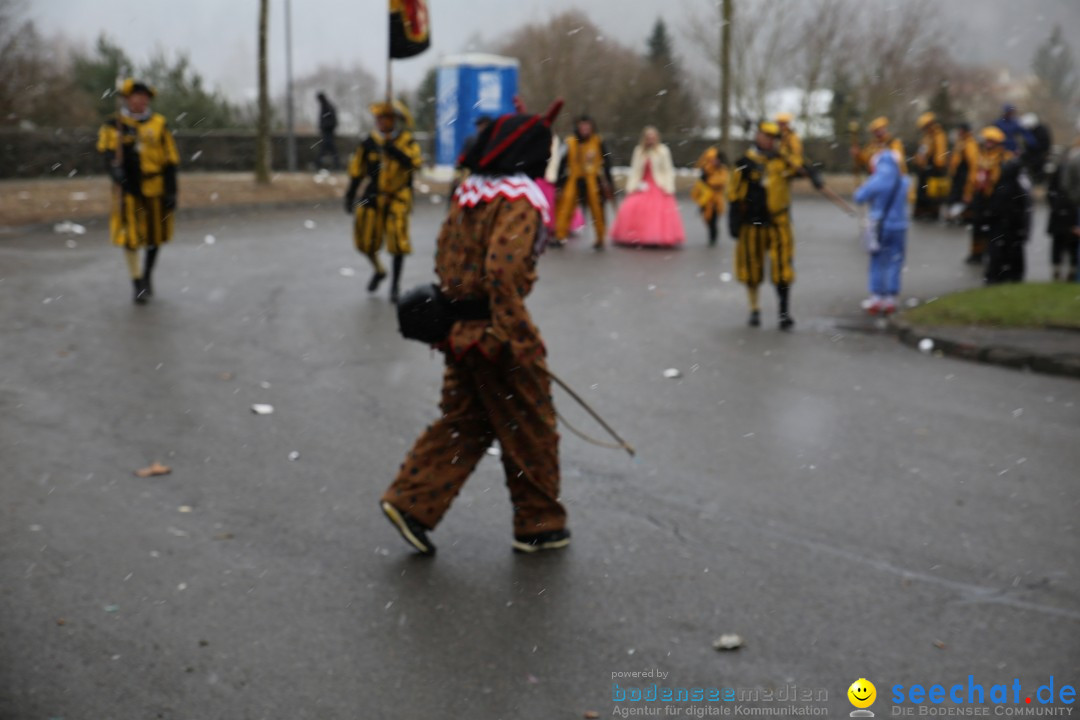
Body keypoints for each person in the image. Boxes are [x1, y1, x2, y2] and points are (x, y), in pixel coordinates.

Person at [381, 101, 569, 556]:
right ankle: (538, 524)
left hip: (460, 331)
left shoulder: (472, 193)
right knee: (531, 427)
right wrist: (517, 336)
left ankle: (410, 503)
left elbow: (446, 257)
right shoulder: (518, 199)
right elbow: (503, 272)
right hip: (493, 336)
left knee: (467, 421)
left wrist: (460, 315)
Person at [96, 78, 179, 305]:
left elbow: (171, 160)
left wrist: (172, 192)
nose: (140, 101)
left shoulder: (160, 124)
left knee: (155, 237)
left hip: (156, 189)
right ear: (126, 99)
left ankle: (147, 274)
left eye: (145, 97)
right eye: (136, 96)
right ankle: (137, 283)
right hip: (128, 191)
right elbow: (106, 154)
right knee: (130, 237)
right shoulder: (114, 125)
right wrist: (115, 172)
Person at [344, 100, 422, 303]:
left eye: (385, 118)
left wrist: (394, 151)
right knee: (365, 240)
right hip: (372, 196)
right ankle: (379, 270)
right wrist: (350, 195)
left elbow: (415, 164)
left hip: (398, 197)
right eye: (378, 118)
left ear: (393, 120)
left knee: (398, 242)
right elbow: (357, 171)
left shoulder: (407, 141)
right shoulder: (368, 143)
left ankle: (395, 285)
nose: (380, 122)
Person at [728, 121, 799, 330]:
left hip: (779, 222)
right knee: (751, 268)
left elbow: (800, 168)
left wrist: (790, 145)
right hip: (752, 223)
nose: (769, 141)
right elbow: (733, 193)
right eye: (765, 136)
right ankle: (754, 308)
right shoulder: (744, 162)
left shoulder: (783, 161)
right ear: (758, 136)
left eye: (773, 138)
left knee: (782, 267)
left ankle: (784, 312)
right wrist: (734, 221)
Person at [854, 145, 911, 315]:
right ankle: (891, 298)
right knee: (895, 260)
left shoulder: (876, 180)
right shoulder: (904, 181)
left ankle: (877, 297)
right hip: (900, 226)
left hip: (880, 226)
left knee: (877, 261)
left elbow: (859, 197)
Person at [609, 126, 685, 248]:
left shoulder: (663, 151)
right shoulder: (639, 151)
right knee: (634, 209)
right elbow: (635, 170)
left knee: (657, 212)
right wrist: (632, 186)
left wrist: (668, 186)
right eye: (648, 137)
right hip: (642, 184)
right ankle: (636, 236)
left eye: (653, 137)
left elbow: (668, 170)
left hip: (658, 184)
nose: (651, 140)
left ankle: (656, 236)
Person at [554, 115, 614, 250]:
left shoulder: (598, 141)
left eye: (587, 126)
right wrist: (558, 183)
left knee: (597, 209)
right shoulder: (570, 142)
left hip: (592, 178)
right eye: (582, 126)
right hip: (574, 178)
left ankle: (600, 237)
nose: (585, 129)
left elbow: (607, 163)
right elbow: (562, 164)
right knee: (566, 206)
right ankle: (560, 236)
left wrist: (608, 181)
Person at [963, 126, 1014, 265]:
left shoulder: (1005, 156)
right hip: (979, 196)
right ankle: (976, 253)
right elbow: (972, 175)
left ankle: (992, 253)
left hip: (995, 198)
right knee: (977, 226)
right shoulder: (980, 155)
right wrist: (968, 192)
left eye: (992, 141)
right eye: (987, 141)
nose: (988, 143)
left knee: (994, 227)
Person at [983, 154, 1032, 284]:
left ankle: (996, 277)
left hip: (1002, 228)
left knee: (998, 252)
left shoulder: (1002, 186)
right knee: (1012, 253)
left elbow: (993, 209)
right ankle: (1012, 276)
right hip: (1013, 228)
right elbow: (1024, 210)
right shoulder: (1018, 186)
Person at [536, 133, 585, 235]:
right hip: (546, 177)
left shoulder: (560, 141)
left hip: (550, 178)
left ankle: (554, 228)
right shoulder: (562, 142)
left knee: (555, 205)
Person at [1047, 152, 1080, 281]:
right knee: (1067, 242)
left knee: (1061, 243)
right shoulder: (1066, 168)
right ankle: (1067, 270)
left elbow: (1053, 190)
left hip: (1062, 211)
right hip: (1067, 210)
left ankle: (1062, 270)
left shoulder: (1063, 168)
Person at [912, 112, 949, 221]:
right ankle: (922, 212)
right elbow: (922, 150)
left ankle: (932, 213)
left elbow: (940, 153)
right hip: (925, 168)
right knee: (922, 191)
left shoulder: (939, 135)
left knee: (932, 192)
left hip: (933, 168)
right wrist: (919, 162)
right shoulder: (927, 136)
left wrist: (938, 166)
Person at [691, 145, 729, 247]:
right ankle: (712, 234)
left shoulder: (722, 170)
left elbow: (721, 181)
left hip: (716, 200)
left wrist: (709, 181)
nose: (713, 161)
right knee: (707, 218)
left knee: (714, 219)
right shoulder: (706, 169)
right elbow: (700, 184)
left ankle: (713, 237)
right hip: (706, 199)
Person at [946, 122, 978, 225]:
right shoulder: (961, 142)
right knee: (955, 196)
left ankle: (963, 217)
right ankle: (955, 216)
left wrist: (971, 180)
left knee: (963, 197)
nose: (959, 132)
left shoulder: (970, 144)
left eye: (961, 130)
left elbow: (973, 164)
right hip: (958, 175)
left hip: (964, 175)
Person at [1020, 112, 1052, 184]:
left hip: (1039, 156)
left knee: (1038, 172)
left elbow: (1043, 145)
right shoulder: (1035, 130)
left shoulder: (1041, 131)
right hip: (1034, 156)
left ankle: (1037, 182)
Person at [316, 92, 340, 170]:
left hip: (328, 131)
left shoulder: (326, 106)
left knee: (327, 148)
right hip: (328, 131)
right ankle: (335, 165)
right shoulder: (327, 106)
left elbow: (329, 119)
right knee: (329, 149)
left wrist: (324, 126)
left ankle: (318, 164)